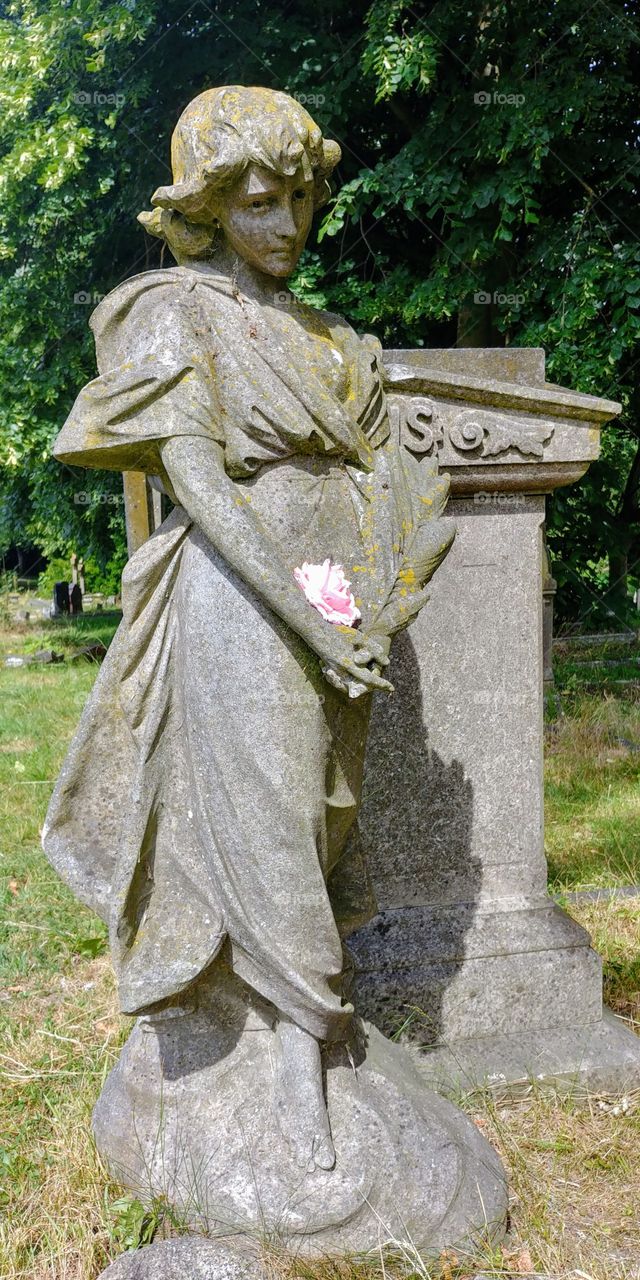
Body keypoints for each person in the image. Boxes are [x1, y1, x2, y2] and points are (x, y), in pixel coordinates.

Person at [42, 85, 453, 1176]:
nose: (286, 227)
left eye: (302, 202)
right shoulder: (169, 312)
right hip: (236, 592)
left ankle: (307, 1028)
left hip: (335, 598)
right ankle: (289, 1065)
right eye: (261, 203)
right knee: (263, 816)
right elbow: (200, 488)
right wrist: (306, 624)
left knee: (323, 813)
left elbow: (377, 477)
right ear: (212, 207)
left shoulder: (329, 340)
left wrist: (372, 593)